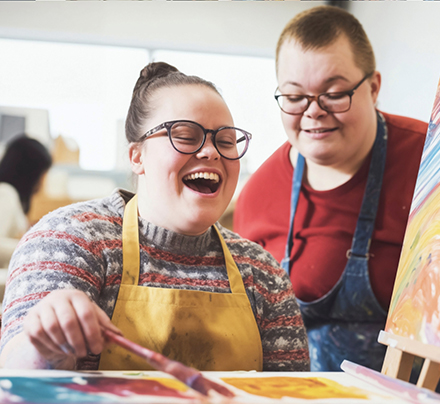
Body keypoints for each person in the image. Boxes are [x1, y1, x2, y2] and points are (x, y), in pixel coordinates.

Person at [0, 62, 310, 373]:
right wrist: (47, 347)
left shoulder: (260, 271)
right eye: (186, 136)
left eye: (226, 141)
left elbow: (295, 401)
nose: (211, 152)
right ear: (137, 156)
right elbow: (16, 378)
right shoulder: (71, 238)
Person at [234, 6, 428, 372]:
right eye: (294, 97)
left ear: (373, 88)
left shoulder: (435, 159)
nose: (313, 111)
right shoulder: (258, 194)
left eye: (334, 92)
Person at [0, 135, 52, 268]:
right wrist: (32, 246)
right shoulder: (6, 193)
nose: (44, 180)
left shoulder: (12, 196)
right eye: (43, 173)